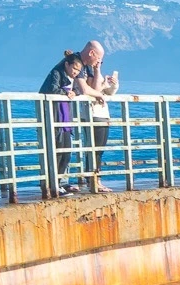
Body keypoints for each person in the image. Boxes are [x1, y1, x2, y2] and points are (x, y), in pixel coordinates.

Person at [74, 39, 119, 191]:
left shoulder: (92, 72)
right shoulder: (84, 69)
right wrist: (98, 74)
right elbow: (93, 89)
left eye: (101, 61)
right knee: (94, 149)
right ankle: (93, 180)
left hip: (102, 115)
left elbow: (107, 92)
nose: (99, 62)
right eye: (98, 59)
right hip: (92, 114)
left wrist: (113, 84)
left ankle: (96, 179)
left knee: (99, 149)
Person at [38, 49, 83, 193]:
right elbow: (51, 89)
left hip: (66, 120)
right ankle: (53, 185)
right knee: (56, 152)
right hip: (55, 117)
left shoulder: (73, 78)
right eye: (74, 68)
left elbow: (79, 89)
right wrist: (65, 92)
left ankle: (59, 182)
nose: (76, 72)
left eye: (78, 70)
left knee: (66, 153)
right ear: (67, 65)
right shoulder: (57, 73)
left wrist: (74, 92)